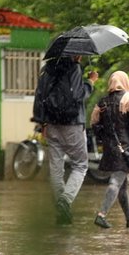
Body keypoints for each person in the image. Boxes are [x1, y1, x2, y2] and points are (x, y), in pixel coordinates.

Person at [33, 55, 98, 225]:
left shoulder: (47, 69)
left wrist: (42, 122)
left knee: (56, 169)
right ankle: (65, 201)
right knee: (80, 165)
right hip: (72, 124)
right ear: (75, 53)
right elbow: (78, 95)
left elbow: (39, 95)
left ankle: (62, 211)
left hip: (52, 124)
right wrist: (90, 82)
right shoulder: (74, 67)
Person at [90, 71, 129, 229]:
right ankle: (101, 214)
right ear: (125, 82)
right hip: (125, 148)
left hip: (110, 148)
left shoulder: (103, 102)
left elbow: (94, 124)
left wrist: (104, 138)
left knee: (122, 183)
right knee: (116, 181)